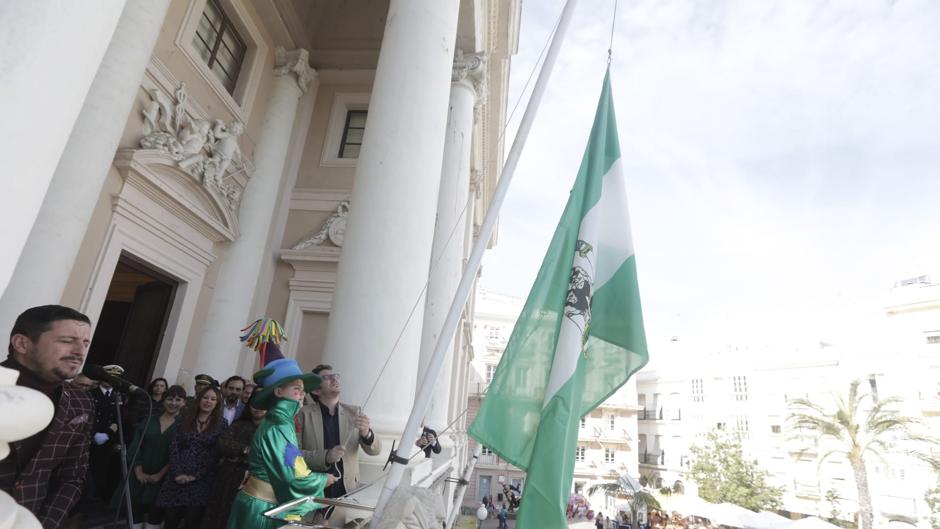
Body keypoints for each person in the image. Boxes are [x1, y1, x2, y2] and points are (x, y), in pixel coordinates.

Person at [227, 319, 334, 529]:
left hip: (260, 503)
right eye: (296, 389)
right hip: (262, 509)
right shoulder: (279, 425)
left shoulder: (279, 421)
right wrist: (322, 480)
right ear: (278, 392)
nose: (302, 394)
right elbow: (293, 473)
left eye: (303, 390)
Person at [0, 305, 95, 529]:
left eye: (85, 343)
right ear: (22, 344)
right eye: (66, 340)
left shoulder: (81, 402)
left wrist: (43, 525)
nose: (79, 351)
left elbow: (72, 477)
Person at [298, 364, 382, 527]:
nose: (334, 379)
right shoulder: (303, 414)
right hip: (317, 493)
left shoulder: (354, 412)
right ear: (316, 390)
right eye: (327, 377)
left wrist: (367, 433)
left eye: (336, 375)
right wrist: (326, 456)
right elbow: (294, 456)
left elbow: (376, 450)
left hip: (347, 492)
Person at [155, 386, 227, 529]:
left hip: (201, 483)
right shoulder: (185, 418)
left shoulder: (221, 424)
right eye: (205, 397)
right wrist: (177, 473)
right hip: (176, 480)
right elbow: (174, 447)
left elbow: (215, 455)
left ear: (217, 403)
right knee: (170, 521)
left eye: (213, 399)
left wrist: (195, 476)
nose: (208, 401)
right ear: (199, 399)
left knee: (192, 522)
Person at [115, 384, 186, 529]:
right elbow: (136, 446)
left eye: (178, 400)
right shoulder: (149, 420)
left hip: (164, 478)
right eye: (170, 399)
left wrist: (160, 474)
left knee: (155, 514)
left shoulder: (184, 425)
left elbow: (180, 454)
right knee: (135, 512)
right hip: (139, 475)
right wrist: (138, 470)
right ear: (164, 400)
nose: (173, 403)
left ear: (184, 403)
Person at [201, 398, 266, 529]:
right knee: (218, 514)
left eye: (262, 404)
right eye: (254, 404)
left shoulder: (271, 429)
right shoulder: (239, 424)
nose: (257, 408)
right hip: (227, 477)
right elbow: (222, 443)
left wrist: (238, 452)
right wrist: (246, 449)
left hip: (252, 480)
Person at [88, 363, 127, 503]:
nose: (111, 381)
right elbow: (88, 417)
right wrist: (93, 434)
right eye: (109, 378)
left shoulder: (118, 396)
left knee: (100, 471)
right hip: (88, 439)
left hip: (106, 441)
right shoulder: (92, 393)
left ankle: (93, 500)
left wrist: (108, 434)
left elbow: (118, 419)